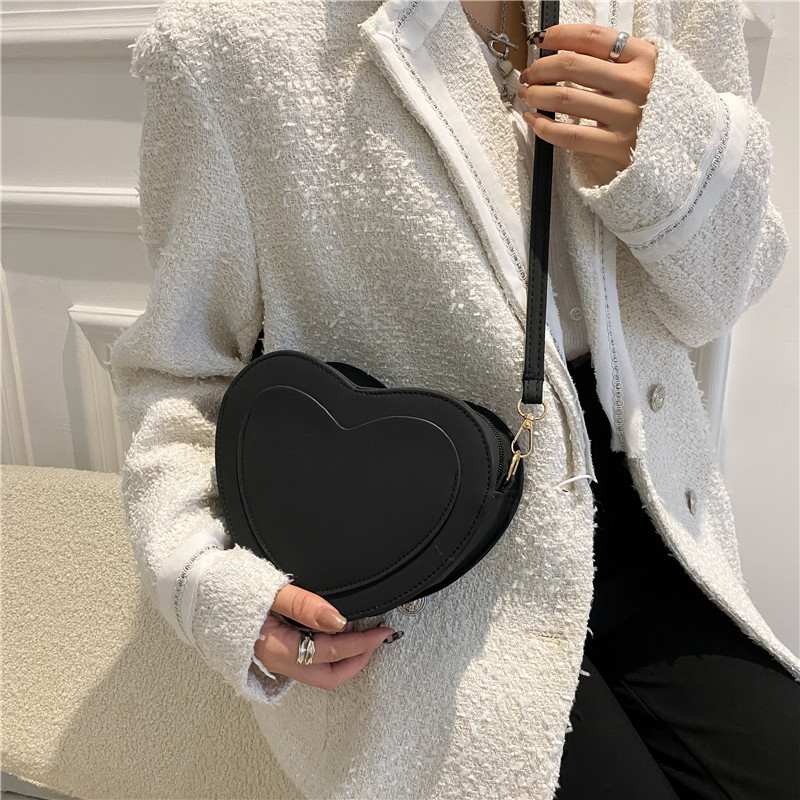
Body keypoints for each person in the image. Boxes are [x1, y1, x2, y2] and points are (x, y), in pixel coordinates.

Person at [109, 1, 800, 798]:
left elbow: (717, 302)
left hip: (654, 523)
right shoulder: (230, 41)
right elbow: (177, 373)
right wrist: (209, 586)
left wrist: (674, 147)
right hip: (427, 578)